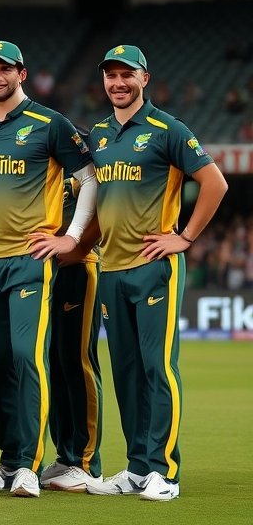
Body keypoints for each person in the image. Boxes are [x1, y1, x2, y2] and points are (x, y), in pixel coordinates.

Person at [84, 45, 227, 501]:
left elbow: (215, 183)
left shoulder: (169, 129)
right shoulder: (100, 135)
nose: (118, 83)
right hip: (110, 269)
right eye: (111, 76)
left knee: (158, 369)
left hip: (154, 270)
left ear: (145, 78)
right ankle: (136, 466)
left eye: (128, 75)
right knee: (125, 372)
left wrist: (183, 237)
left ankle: (164, 471)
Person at [0, 40, 97, 498]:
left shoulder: (49, 122)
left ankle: (30, 465)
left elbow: (89, 178)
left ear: (22, 73)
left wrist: (72, 237)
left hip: (30, 263)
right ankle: (8, 461)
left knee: (27, 358)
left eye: (6, 69)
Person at [40, 164, 105, 492]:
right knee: (56, 365)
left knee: (79, 363)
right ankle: (66, 456)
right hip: (47, 271)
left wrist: (79, 247)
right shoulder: (43, 165)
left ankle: (86, 463)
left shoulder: (83, 171)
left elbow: (106, 208)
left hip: (81, 269)